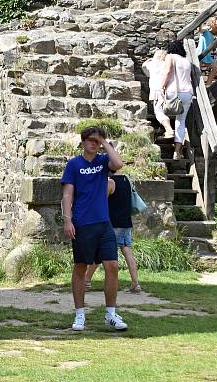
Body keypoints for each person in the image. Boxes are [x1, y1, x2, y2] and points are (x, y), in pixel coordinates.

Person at [60, 126, 128, 332]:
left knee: (112, 266)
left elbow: (118, 164)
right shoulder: (73, 165)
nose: (93, 143)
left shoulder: (102, 162)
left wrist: (105, 142)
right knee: (81, 268)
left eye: (96, 141)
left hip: (103, 223)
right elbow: (67, 195)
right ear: (82, 142)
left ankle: (111, 314)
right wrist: (67, 220)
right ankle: (80, 314)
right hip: (82, 224)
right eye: (90, 140)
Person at [84, 174, 142, 293]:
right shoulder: (126, 179)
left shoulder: (110, 183)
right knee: (127, 251)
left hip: (113, 224)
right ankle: (135, 283)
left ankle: (86, 281)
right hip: (126, 222)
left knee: (100, 251)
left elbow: (100, 204)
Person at [161, 39, 194, 160]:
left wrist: (161, 86)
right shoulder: (186, 61)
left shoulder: (170, 56)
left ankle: (167, 130)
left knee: (159, 108)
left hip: (173, 92)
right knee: (181, 121)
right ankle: (177, 152)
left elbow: (168, 72)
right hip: (188, 93)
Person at [141, 49, 174, 139]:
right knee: (166, 110)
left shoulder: (151, 64)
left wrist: (149, 60)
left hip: (156, 91)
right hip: (168, 91)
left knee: (159, 112)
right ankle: (168, 130)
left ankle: (169, 129)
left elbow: (143, 66)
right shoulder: (167, 65)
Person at [197, 18, 217, 85]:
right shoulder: (206, 30)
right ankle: (198, 86)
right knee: (197, 72)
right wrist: (200, 23)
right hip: (200, 54)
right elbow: (200, 30)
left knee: (215, 68)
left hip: (207, 55)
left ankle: (208, 84)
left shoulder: (212, 34)